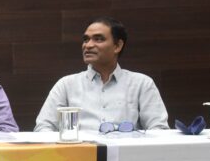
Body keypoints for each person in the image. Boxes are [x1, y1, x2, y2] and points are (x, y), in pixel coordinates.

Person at [34, 17, 169, 132]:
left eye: (98, 39)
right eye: (86, 39)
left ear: (117, 46)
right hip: (78, 153)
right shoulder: (66, 85)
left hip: (126, 154)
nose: (88, 45)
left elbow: (159, 130)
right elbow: (43, 127)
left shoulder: (141, 84)